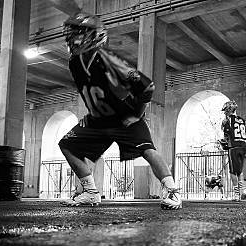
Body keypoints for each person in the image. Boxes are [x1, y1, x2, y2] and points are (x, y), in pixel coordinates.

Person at [58, 13, 181, 209]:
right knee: (66, 144)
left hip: (123, 116)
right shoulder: (74, 63)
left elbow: (147, 87)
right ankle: (90, 192)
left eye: (77, 33)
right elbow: (93, 91)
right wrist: (91, 113)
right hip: (98, 120)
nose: (72, 38)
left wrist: (136, 114)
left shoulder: (106, 59)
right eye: (72, 33)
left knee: (148, 151)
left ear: (93, 35)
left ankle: (173, 193)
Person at [220, 100, 246, 201]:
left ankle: (237, 194)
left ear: (230, 110)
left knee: (233, 172)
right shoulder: (243, 120)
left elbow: (226, 135)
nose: (224, 112)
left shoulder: (227, 121)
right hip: (243, 146)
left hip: (233, 147)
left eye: (225, 110)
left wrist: (223, 142)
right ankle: (242, 190)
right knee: (240, 171)